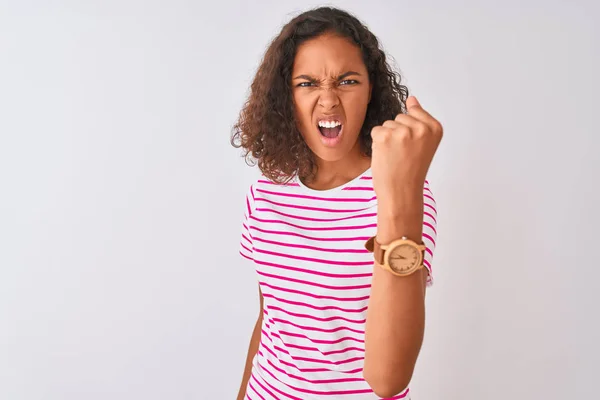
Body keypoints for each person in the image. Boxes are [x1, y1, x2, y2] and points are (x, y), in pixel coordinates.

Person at [230, 6, 443, 400]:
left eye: (347, 81)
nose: (328, 101)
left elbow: (388, 379)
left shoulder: (406, 194)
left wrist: (398, 193)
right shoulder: (266, 193)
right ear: (286, 97)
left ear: (371, 91)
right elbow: (270, 320)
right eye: (307, 83)